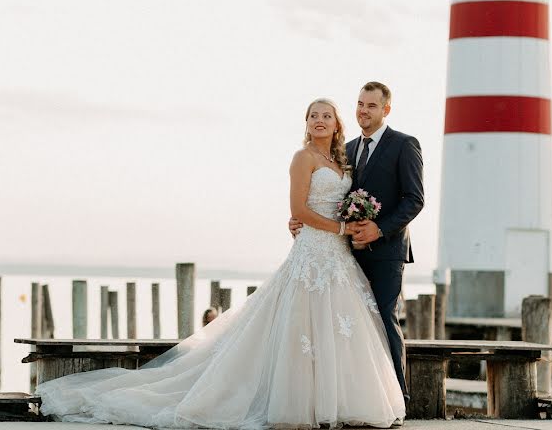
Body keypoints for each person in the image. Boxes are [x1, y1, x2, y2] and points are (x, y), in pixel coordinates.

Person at [35, 98, 405, 428]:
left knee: (339, 329)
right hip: (311, 253)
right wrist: (338, 225)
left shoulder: (343, 160)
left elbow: (349, 200)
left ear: (337, 124)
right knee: (300, 329)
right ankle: (294, 404)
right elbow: (298, 210)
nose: (320, 121)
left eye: (327, 116)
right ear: (306, 123)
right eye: (313, 116)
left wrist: (354, 221)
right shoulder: (303, 157)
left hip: (339, 257)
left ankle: (340, 402)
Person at [290, 81, 424, 407]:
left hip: (387, 251)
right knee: (348, 326)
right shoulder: (344, 151)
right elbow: (326, 199)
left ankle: (396, 398)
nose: (364, 111)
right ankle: (349, 398)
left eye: (372, 106)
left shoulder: (404, 145)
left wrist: (379, 229)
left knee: (381, 319)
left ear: (386, 110)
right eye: (360, 104)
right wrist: (299, 219)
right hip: (343, 252)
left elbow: (414, 200)